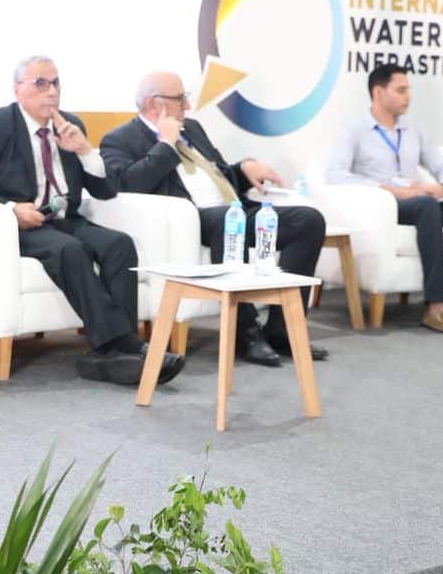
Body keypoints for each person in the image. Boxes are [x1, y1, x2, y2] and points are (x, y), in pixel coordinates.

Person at [0, 56, 184, 385]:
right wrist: (11, 208)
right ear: (17, 89)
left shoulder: (70, 124)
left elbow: (105, 190)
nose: (52, 91)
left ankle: (113, 355)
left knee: (119, 244)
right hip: (23, 223)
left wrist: (85, 151)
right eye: (41, 83)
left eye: (56, 83)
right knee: (69, 250)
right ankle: (128, 345)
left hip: (65, 218)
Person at [101, 70, 328, 365]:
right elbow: (127, 184)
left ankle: (283, 328)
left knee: (308, 221)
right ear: (154, 103)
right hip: (192, 220)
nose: (187, 106)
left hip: (232, 209)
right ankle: (245, 332)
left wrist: (243, 170)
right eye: (180, 99)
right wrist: (166, 145)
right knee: (227, 220)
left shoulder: (192, 128)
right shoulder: (119, 139)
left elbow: (217, 175)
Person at [325, 64, 443, 336]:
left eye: (408, 90)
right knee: (426, 206)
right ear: (379, 93)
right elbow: (336, 174)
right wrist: (389, 190)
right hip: (388, 206)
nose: (408, 96)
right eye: (401, 90)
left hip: (423, 204)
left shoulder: (413, 129)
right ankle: (437, 307)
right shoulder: (355, 130)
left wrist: (442, 187)